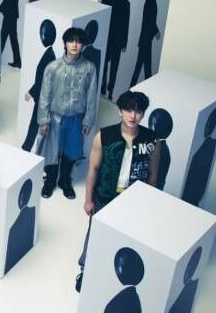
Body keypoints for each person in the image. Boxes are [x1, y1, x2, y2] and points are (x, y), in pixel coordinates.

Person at [75, 91, 160, 292]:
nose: (133, 116)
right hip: (104, 195)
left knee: (125, 237)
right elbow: (93, 169)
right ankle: (86, 270)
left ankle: (114, 275)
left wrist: (147, 204)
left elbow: (153, 175)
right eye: (128, 110)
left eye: (138, 111)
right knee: (95, 234)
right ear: (120, 111)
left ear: (143, 114)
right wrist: (88, 199)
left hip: (133, 201)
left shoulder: (152, 140)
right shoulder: (104, 136)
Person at [38, 27, 98, 200]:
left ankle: (65, 180)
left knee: (71, 151)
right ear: (65, 43)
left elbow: (91, 96)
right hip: (55, 117)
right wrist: (44, 120)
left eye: (79, 41)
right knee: (52, 151)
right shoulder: (53, 67)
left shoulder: (89, 68)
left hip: (76, 119)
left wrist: (87, 121)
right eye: (71, 40)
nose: (74, 45)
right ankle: (50, 181)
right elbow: (45, 95)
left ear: (83, 45)